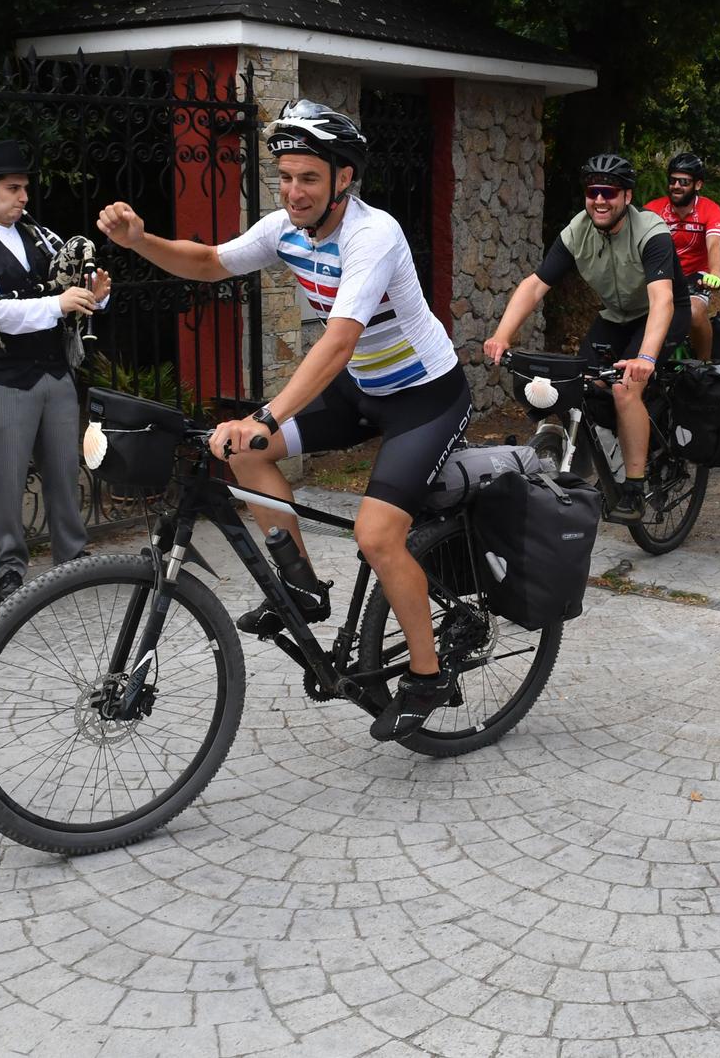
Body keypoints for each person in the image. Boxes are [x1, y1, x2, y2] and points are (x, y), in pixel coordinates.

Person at [97, 101, 471, 742]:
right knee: (247, 455)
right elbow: (211, 261)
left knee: (378, 536)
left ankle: (430, 677)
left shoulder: (371, 235)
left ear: (343, 179)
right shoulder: (286, 229)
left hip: (423, 396)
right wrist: (138, 242)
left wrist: (265, 414)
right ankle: (302, 590)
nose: (293, 192)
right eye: (286, 177)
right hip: (359, 392)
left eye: (308, 179)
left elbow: (339, 341)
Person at [0, 141, 110, 605]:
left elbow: (75, 289)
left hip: (54, 375)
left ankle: (72, 561)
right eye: (12, 189)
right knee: (6, 481)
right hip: (4, 380)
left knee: (64, 473)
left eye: (24, 189)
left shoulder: (42, 237)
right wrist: (58, 304)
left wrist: (96, 292)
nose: (23, 198)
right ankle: (9, 571)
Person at [484, 154, 687, 522]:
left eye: (609, 192)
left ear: (627, 196)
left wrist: (646, 358)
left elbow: (662, 301)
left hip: (661, 314)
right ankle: (589, 460)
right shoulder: (577, 230)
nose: (599, 200)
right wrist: (501, 336)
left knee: (626, 388)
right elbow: (534, 286)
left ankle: (634, 487)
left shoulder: (651, 232)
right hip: (616, 316)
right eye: (593, 191)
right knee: (577, 385)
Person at [643, 151, 720, 360]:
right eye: (672, 180)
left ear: (698, 185)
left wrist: (715, 274)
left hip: (694, 276)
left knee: (695, 314)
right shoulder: (652, 210)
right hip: (661, 275)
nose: (676, 186)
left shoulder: (710, 209)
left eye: (684, 181)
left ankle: (704, 366)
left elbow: (715, 244)